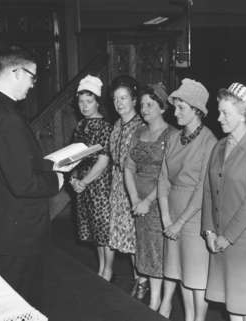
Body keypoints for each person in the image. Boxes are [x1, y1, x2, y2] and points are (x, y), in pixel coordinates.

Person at [0, 45, 63, 306]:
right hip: (17, 235)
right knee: (19, 304)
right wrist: (55, 179)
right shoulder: (7, 117)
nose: (33, 85)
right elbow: (23, 183)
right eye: (33, 76)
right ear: (16, 72)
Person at [202, 83, 246, 321]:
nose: (218, 118)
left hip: (243, 241)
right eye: (219, 112)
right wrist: (209, 230)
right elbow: (209, 190)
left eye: (225, 113)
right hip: (219, 236)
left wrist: (227, 237)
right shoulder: (220, 146)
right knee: (232, 304)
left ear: (243, 115)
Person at [157, 78, 217, 320]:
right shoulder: (173, 137)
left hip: (194, 217)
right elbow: (163, 179)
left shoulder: (210, 142)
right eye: (175, 106)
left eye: (181, 108)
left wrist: (178, 223)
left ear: (197, 111)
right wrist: (165, 218)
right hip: (171, 213)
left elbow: (203, 189)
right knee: (180, 272)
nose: (175, 112)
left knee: (197, 276)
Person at [125, 83, 174, 311]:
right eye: (142, 104)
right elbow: (128, 167)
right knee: (145, 250)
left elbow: (169, 175)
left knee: (158, 252)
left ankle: (159, 301)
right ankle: (154, 297)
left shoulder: (172, 134)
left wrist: (147, 201)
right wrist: (135, 199)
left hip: (159, 200)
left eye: (150, 104)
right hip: (139, 202)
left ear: (163, 108)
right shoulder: (138, 132)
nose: (144, 109)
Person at [70, 75, 113, 281]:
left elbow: (103, 161)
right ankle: (101, 268)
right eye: (81, 101)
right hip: (83, 183)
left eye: (89, 101)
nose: (85, 106)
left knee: (103, 229)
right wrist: (73, 179)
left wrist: (84, 183)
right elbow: (72, 157)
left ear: (98, 102)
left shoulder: (106, 127)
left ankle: (108, 271)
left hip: (100, 184)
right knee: (95, 231)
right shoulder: (80, 126)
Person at [108, 75, 146, 294]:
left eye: (123, 98)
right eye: (116, 99)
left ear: (133, 100)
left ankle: (142, 281)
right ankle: (138, 279)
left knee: (135, 238)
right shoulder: (116, 125)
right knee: (126, 239)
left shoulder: (140, 126)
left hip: (133, 187)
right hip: (117, 186)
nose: (119, 103)